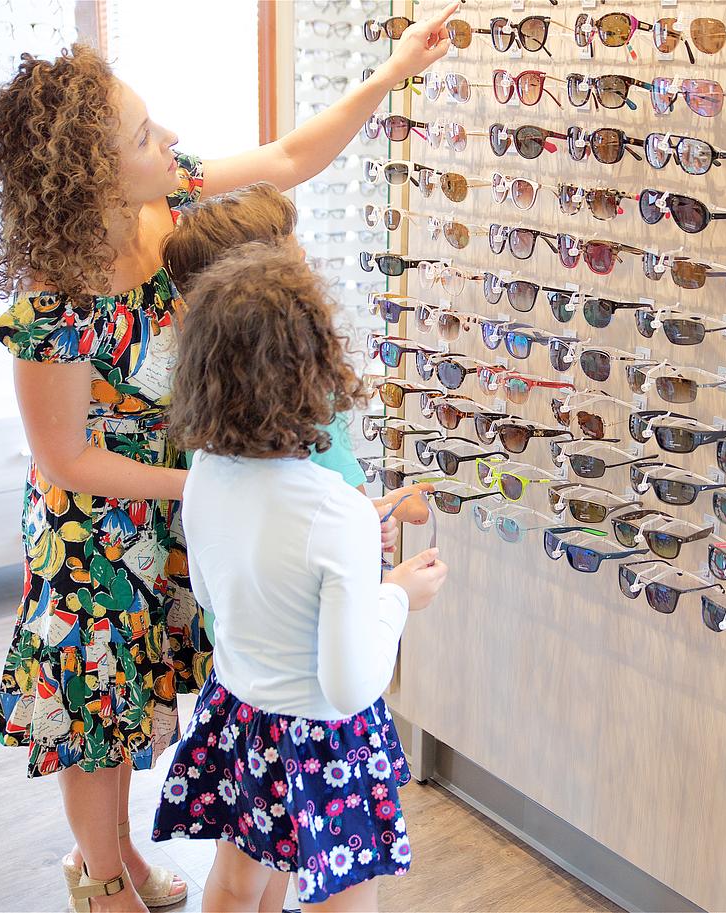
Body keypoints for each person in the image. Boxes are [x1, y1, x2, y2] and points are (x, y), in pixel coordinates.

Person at [0, 4, 459, 910]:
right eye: (143, 133)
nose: (167, 138)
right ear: (91, 174)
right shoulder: (55, 297)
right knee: (100, 711)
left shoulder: (166, 197)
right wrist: (211, 483)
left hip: (195, 492)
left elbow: (289, 158)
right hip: (97, 524)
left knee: (169, 685)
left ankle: (121, 858)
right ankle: (104, 875)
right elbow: (66, 457)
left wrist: (392, 72)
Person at [154, 241, 448, 912]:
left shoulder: (203, 475)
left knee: (236, 883)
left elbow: (214, 595)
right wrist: (397, 596)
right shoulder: (337, 512)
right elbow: (349, 686)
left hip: (241, 716)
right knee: (342, 897)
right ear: (315, 370)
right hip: (326, 739)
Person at [159, 181, 437, 645]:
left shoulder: (202, 398)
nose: (305, 256)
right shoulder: (310, 399)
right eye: (291, 252)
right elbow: (347, 655)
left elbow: (266, 520)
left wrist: (374, 513)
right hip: (320, 641)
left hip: (236, 645)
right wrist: (397, 591)